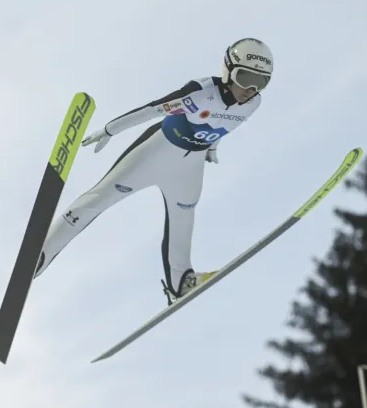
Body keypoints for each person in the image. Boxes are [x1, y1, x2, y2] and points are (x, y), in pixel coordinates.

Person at [33, 37, 274, 304]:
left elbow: (224, 124)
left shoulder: (253, 104)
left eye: (261, 82)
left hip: (189, 169)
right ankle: (40, 255)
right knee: (98, 200)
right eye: (245, 77)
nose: (251, 89)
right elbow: (152, 110)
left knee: (184, 219)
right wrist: (110, 129)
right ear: (229, 70)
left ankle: (181, 282)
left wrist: (212, 148)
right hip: (154, 154)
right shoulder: (200, 92)